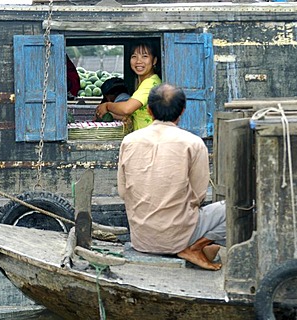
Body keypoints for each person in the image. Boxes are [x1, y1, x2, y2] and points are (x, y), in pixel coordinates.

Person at [117, 83, 226, 271]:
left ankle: (197, 246)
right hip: (179, 236)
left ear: (149, 111)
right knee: (238, 208)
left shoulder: (129, 141)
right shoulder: (193, 143)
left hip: (141, 239)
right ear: (182, 111)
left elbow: (122, 191)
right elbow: (198, 196)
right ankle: (196, 247)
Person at [95, 41, 161, 131]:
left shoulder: (150, 83)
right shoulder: (145, 82)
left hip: (150, 140)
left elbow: (127, 108)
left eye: (145, 56)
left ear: (154, 61)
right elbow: (138, 114)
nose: (138, 61)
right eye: (134, 56)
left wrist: (107, 106)